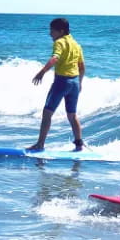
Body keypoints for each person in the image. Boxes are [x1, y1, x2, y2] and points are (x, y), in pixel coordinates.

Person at [28, 18, 85, 152]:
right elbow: (82, 67)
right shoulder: (76, 45)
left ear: (61, 31)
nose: (50, 34)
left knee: (47, 113)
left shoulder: (59, 42)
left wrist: (42, 72)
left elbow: (55, 58)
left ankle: (40, 144)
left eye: (52, 31)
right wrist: (80, 83)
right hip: (75, 83)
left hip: (62, 82)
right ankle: (79, 145)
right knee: (72, 115)